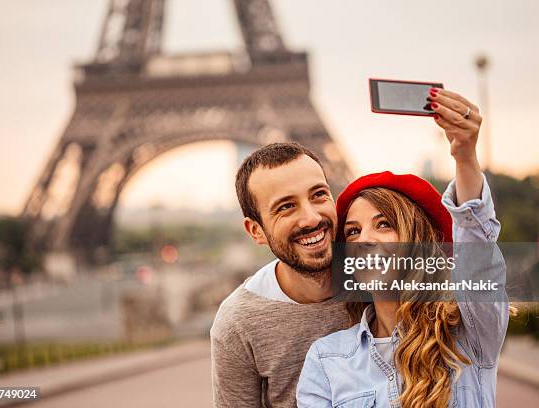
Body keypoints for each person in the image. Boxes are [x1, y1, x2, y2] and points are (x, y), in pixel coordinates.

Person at [296, 88, 511, 407]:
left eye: (384, 224)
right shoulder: (326, 360)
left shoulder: (470, 333)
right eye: (352, 231)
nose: (365, 238)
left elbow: (476, 246)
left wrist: (465, 157)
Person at [210, 142, 351, 407]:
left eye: (319, 194)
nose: (310, 218)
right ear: (256, 231)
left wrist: (458, 162)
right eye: (286, 207)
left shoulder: (379, 278)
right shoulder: (237, 322)